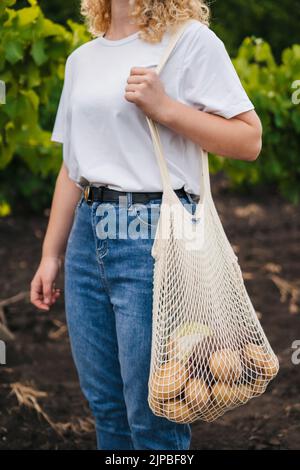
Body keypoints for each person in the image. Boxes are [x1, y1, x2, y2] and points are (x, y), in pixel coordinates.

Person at [30, 0, 262, 450]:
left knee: (154, 412)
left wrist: (166, 108)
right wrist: (51, 254)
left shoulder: (189, 41)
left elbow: (249, 140)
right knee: (106, 406)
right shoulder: (82, 59)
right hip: (86, 234)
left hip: (155, 233)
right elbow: (72, 168)